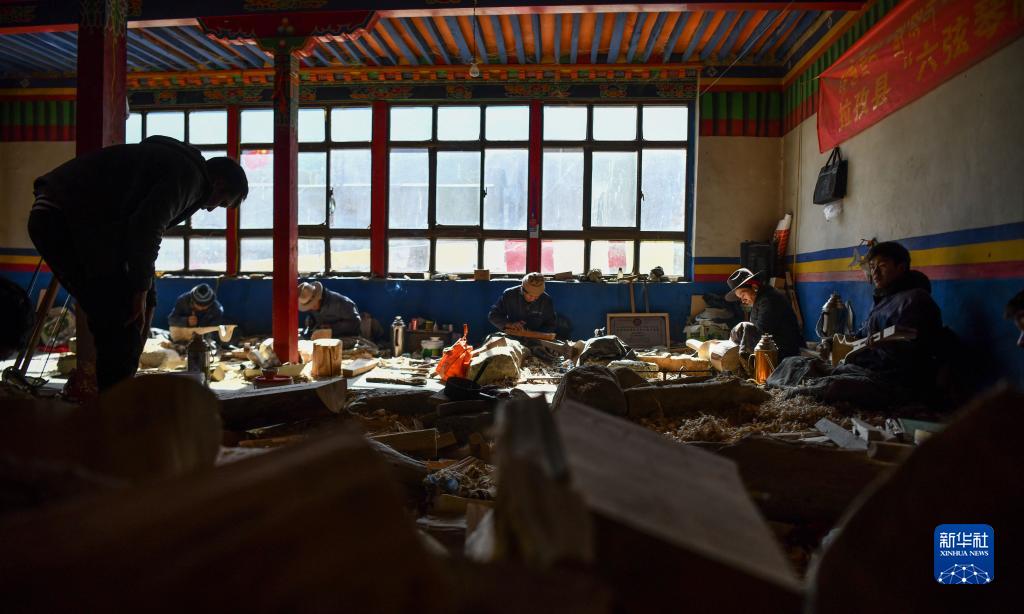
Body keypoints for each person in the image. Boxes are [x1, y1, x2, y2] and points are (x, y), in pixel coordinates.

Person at [27, 136, 248, 391]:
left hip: (68, 219)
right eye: (222, 202)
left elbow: (136, 235)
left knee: (126, 314)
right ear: (218, 183)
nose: (211, 209)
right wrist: (141, 289)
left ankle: (117, 397)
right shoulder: (190, 178)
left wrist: (147, 294)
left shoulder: (179, 168)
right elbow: (146, 228)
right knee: (120, 322)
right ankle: (116, 406)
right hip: (65, 221)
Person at [768, 241, 944, 408]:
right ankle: (795, 387)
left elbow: (919, 354)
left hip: (892, 381)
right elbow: (860, 336)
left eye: (882, 266)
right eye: (872, 267)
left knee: (836, 385)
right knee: (794, 362)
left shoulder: (916, 300)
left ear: (901, 268)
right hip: (861, 369)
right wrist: (831, 343)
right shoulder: (883, 300)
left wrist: (887, 348)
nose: (875, 273)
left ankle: (801, 391)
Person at [725, 267, 803, 359]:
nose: (743, 300)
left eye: (743, 295)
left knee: (744, 326)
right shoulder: (761, 299)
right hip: (771, 352)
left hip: (782, 354)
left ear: (754, 287)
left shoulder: (769, 300)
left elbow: (761, 334)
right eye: (740, 298)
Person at [487, 272, 557, 336]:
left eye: (537, 296)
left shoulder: (546, 300)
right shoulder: (509, 295)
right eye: (530, 295)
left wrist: (534, 333)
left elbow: (551, 325)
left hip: (537, 338)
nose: (533, 299)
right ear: (522, 290)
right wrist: (510, 325)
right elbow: (493, 316)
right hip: (513, 336)